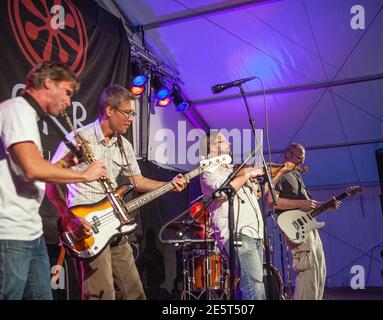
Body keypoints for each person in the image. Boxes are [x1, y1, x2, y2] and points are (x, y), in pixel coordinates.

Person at [47, 84, 188, 300]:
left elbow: (137, 181)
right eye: (128, 113)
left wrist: (169, 184)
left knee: (134, 293)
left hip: (116, 228)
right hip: (88, 230)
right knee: (102, 294)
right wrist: (67, 217)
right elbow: (51, 179)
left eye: (133, 113)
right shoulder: (79, 139)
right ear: (109, 111)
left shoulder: (125, 145)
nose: (131, 118)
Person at [0, 62, 107, 300]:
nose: (69, 102)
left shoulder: (27, 116)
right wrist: (85, 174)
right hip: (5, 233)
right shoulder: (17, 110)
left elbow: (28, 171)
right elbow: (32, 169)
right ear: (49, 83)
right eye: (68, 92)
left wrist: (66, 164)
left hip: (29, 233)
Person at [199, 131, 266, 300]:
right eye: (222, 141)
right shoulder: (208, 168)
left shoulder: (236, 170)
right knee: (253, 285)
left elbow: (258, 194)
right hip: (237, 232)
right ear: (212, 148)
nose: (229, 143)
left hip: (254, 232)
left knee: (253, 284)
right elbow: (222, 193)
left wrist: (278, 173)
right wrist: (248, 174)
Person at [269, 143, 340, 300]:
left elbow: (308, 204)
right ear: (288, 154)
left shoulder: (296, 175)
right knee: (308, 273)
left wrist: (327, 206)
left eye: (303, 158)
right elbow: (273, 202)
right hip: (296, 229)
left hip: (308, 226)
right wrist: (301, 204)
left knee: (319, 271)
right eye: (299, 157)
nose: (302, 161)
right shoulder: (283, 174)